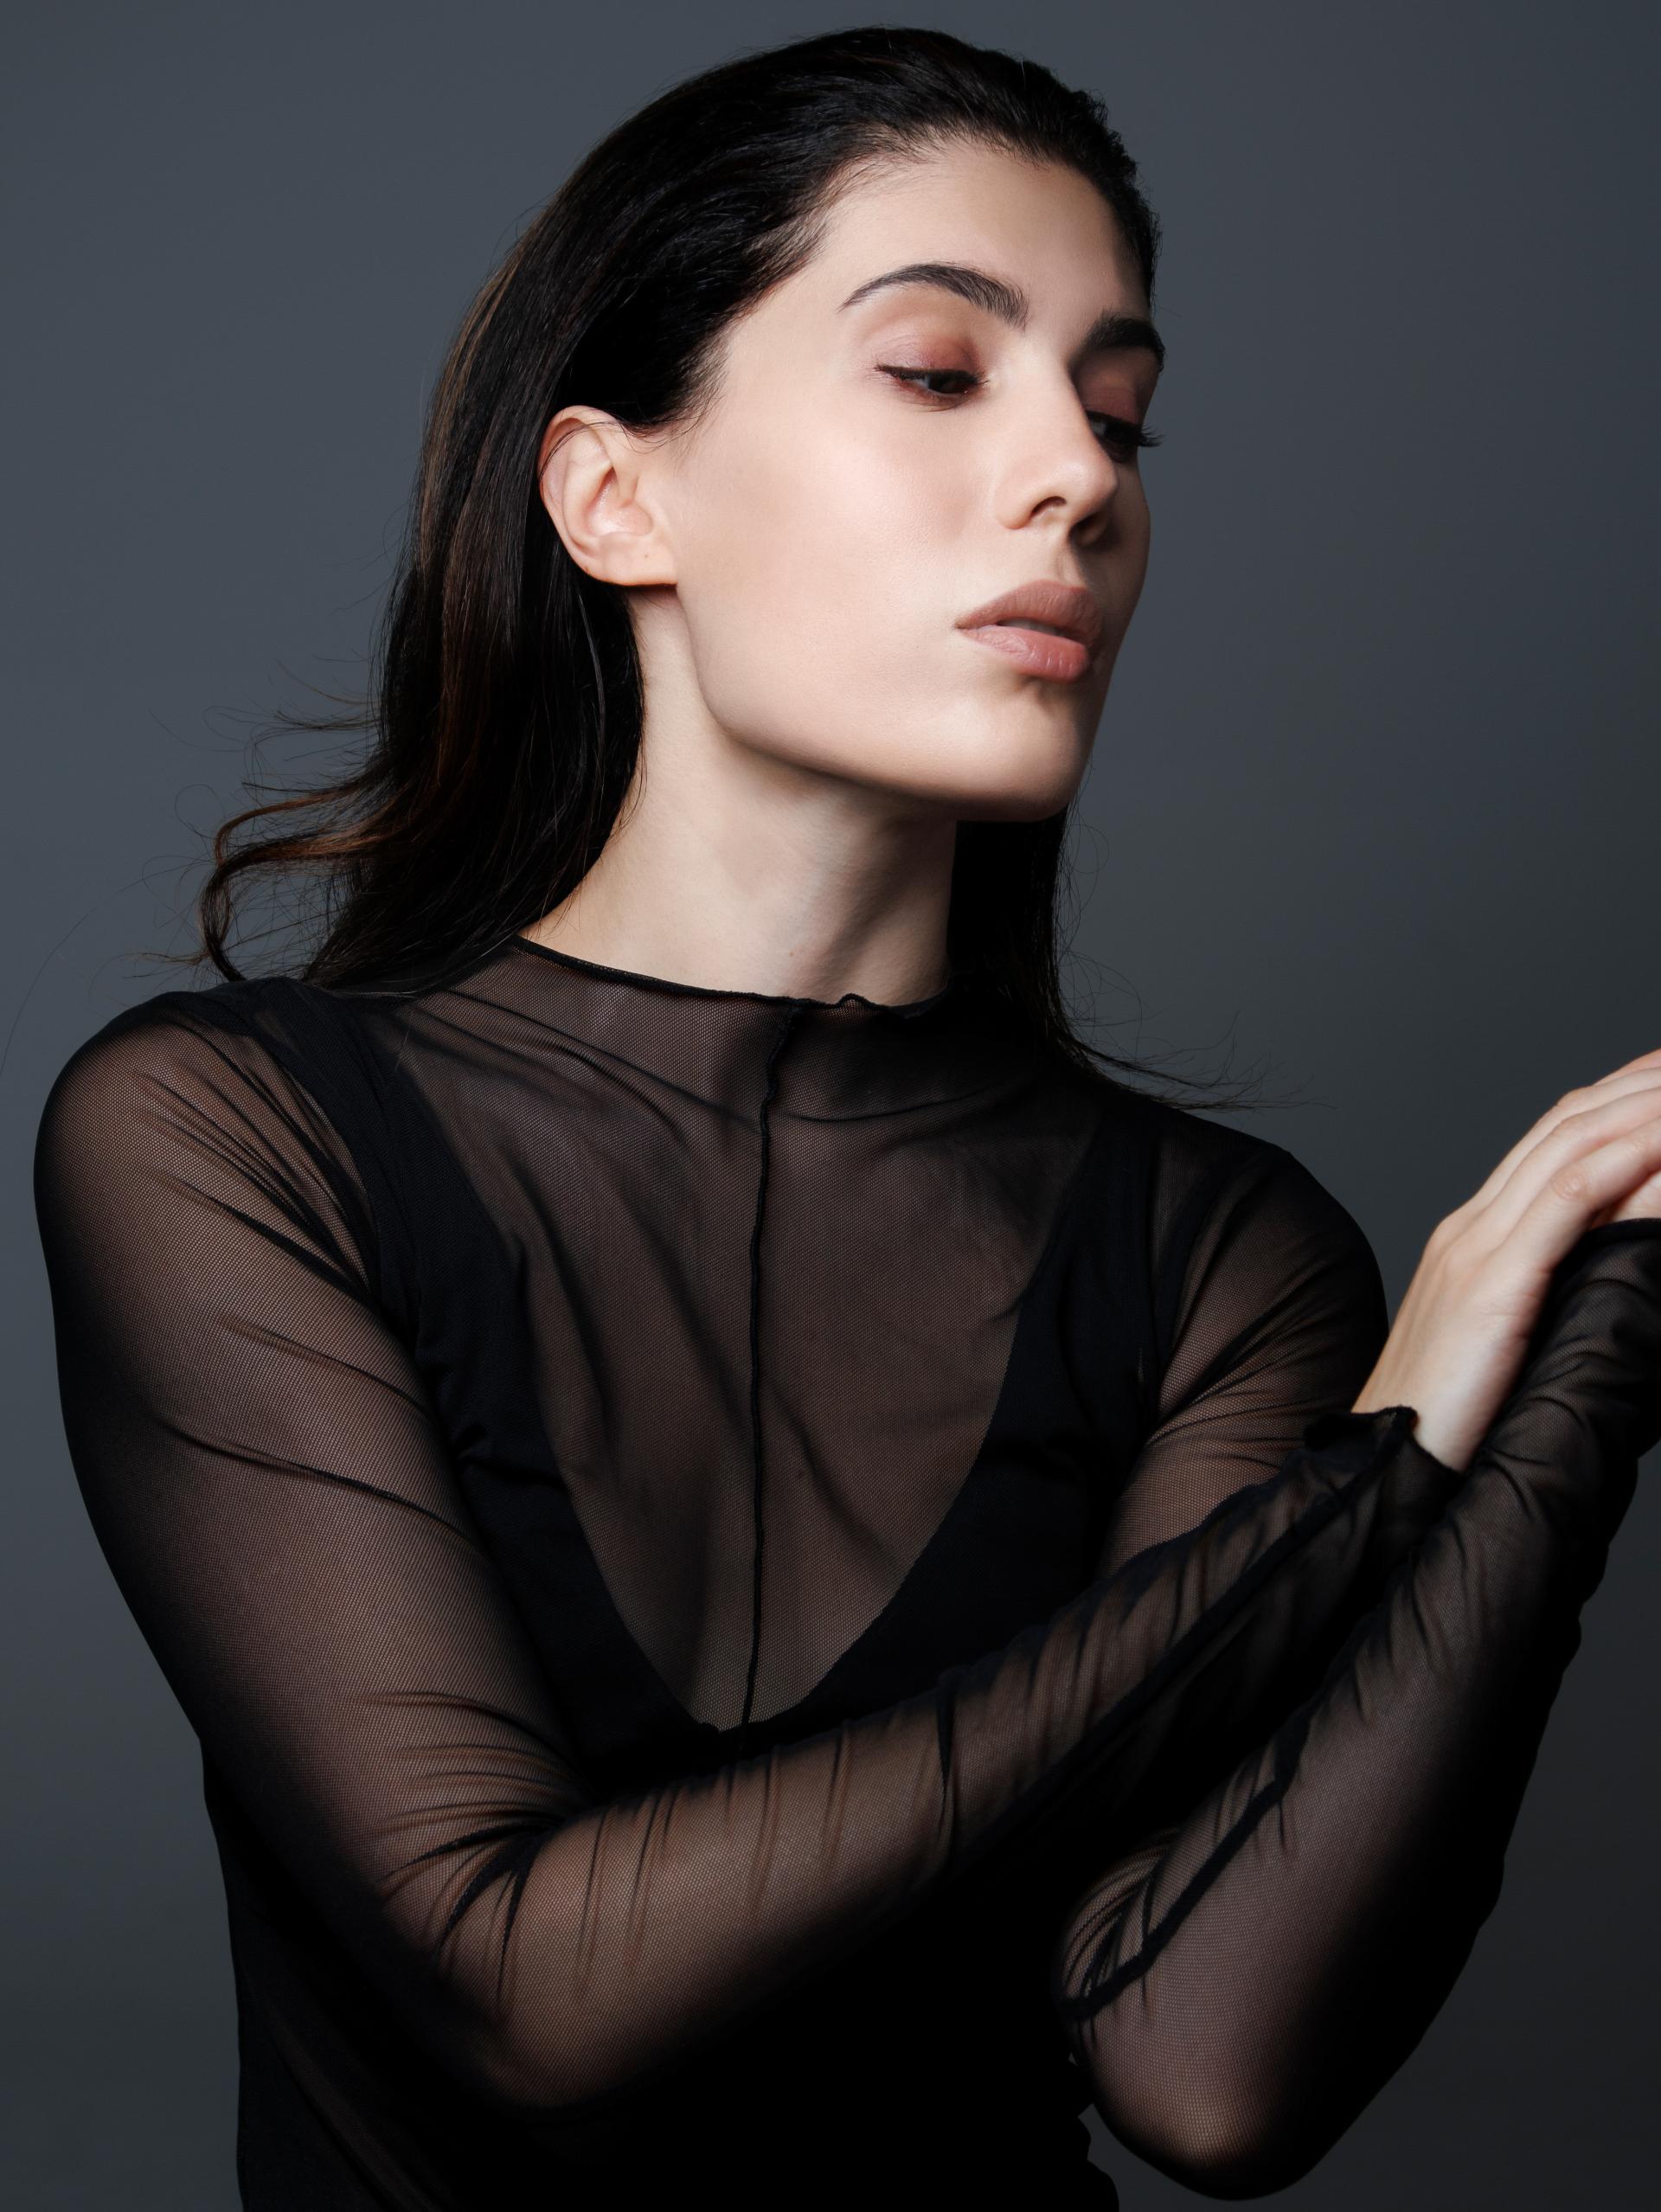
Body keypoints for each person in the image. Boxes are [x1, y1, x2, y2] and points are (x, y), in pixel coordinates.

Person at [30, 25, 1661, 2209]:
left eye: (1120, 413)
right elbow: (527, 1994)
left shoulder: (1213, 1254)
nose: (1080, 477)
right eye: (937, 372)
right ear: (614, 497)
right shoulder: (236, 1138)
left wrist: (1570, 1388)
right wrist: (1366, 1492)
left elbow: (1204, 2073)